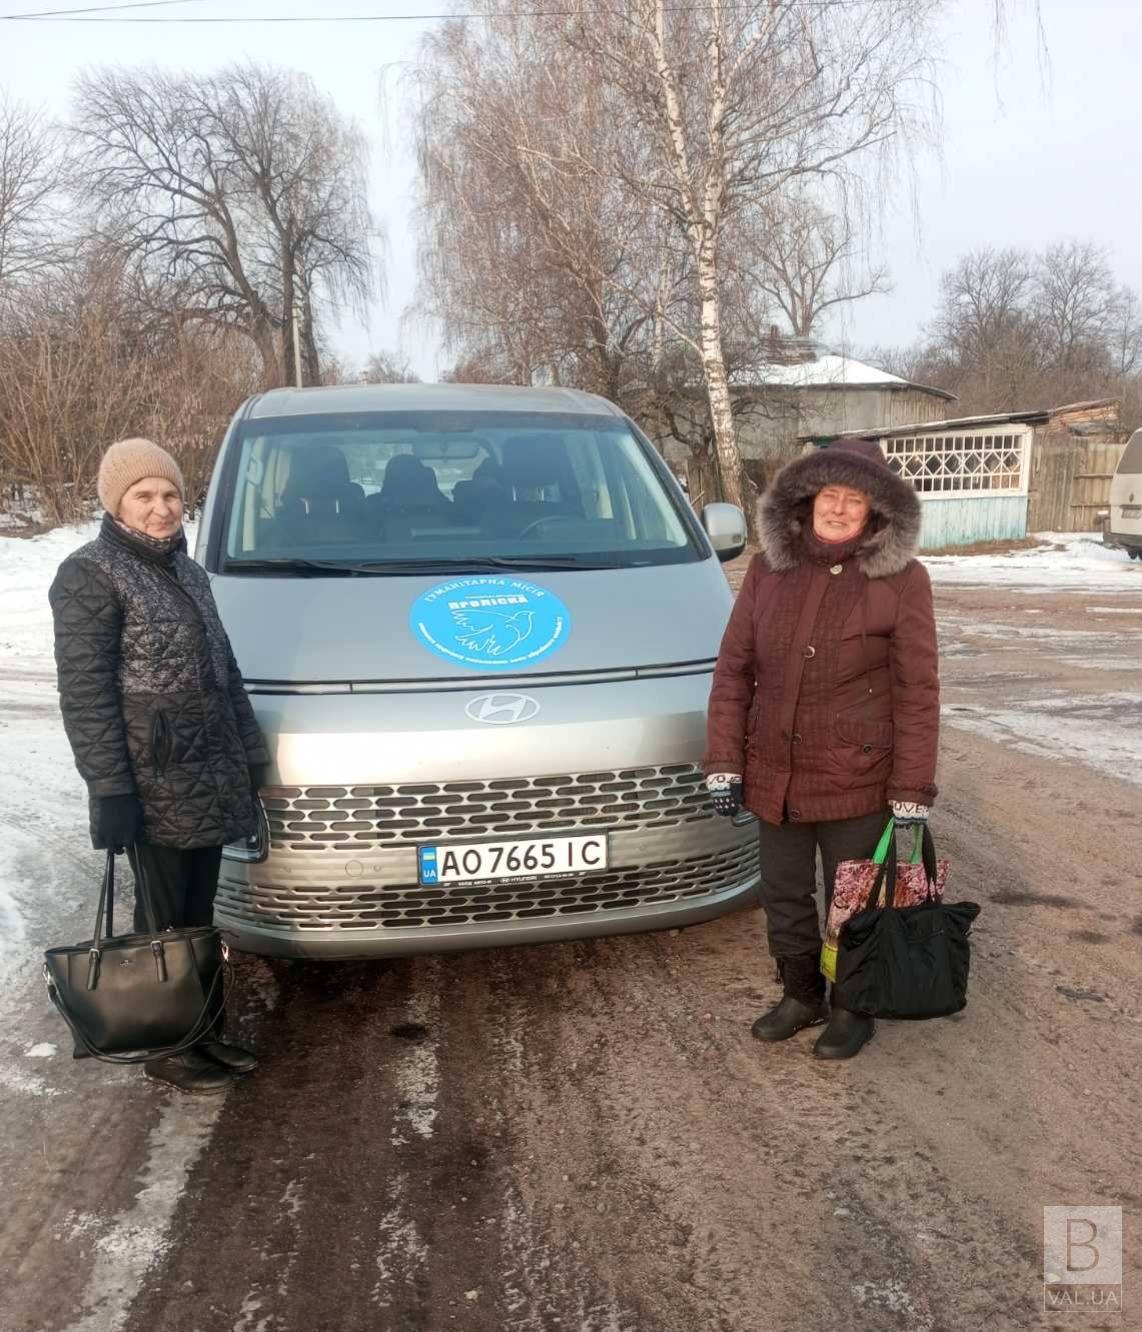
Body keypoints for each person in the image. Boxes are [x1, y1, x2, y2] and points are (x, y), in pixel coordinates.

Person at [704, 437, 939, 1060]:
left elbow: (918, 692)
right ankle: (801, 993)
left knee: (852, 897)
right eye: (828, 496)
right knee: (782, 894)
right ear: (806, 503)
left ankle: (852, 1005)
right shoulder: (766, 570)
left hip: (857, 775)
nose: (838, 509)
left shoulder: (903, 581)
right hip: (774, 773)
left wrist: (911, 793)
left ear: (875, 513)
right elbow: (733, 670)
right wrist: (725, 761)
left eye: (853, 500)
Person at [49, 438, 269, 1093]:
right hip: (151, 780)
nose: (162, 507)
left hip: (208, 770)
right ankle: (168, 1048)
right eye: (144, 496)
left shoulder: (189, 571)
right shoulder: (90, 573)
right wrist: (109, 789)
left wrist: (251, 752)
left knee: (197, 916)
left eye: (170, 494)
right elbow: (85, 694)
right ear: (116, 503)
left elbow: (224, 672)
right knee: (163, 920)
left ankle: (203, 1033)